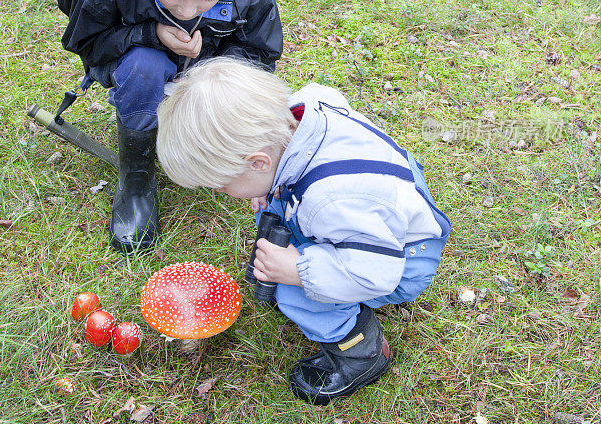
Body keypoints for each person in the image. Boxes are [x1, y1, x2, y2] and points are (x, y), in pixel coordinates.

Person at [156, 58, 451, 405]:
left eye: (221, 185)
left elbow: (375, 274)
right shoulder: (300, 111)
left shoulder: (331, 200)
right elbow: (325, 93)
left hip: (399, 258)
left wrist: (297, 270)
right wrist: (266, 189)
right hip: (386, 207)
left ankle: (361, 353)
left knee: (295, 294)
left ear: (258, 162)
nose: (221, 193)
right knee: (271, 208)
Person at [56, 0, 283, 253]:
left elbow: (260, 53)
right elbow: (88, 45)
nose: (188, 9)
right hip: (141, 69)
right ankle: (137, 177)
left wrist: (216, 75)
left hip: (204, 72)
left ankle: (194, 132)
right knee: (144, 67)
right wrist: (150, 34)